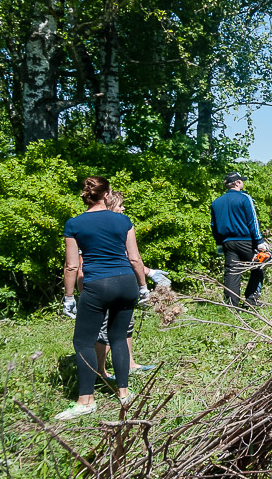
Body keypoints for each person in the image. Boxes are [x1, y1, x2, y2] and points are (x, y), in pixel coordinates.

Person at [56, 176, 150, 420]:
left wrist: (68, 297)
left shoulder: (74, 224)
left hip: (98, 285)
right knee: (118, 338)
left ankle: (85, 401)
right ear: (107, 194)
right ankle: (124, 394)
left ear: (86, 195)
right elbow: (134, 258)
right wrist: (143, 286)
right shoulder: (123, 220)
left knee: (83, 342)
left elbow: (71, 266)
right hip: (126, 283)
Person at [89, 191, 166, 378]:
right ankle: (99, 371)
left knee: (126, 325)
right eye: (120, 206)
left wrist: (148, 272)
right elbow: (132, 258)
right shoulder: (96, 229)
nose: (123, 209)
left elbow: (129, 258)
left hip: (122, 284)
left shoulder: (120, 226)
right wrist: (144, 285)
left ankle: (129, 363)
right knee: (105, 330)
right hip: (104, 285)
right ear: (110, 207)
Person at [210, 172, 267, 308]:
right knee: (259, 265)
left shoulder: (216, 202)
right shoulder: (245, 198)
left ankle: (232, 305)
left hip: (227, 243)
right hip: (245, 240)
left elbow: (213, 225)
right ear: (237, 183)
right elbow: (253, 221)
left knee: (232, 272)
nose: (243, 183)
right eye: (241, 181)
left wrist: (219, 243)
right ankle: (251, 300)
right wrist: (259, 241)